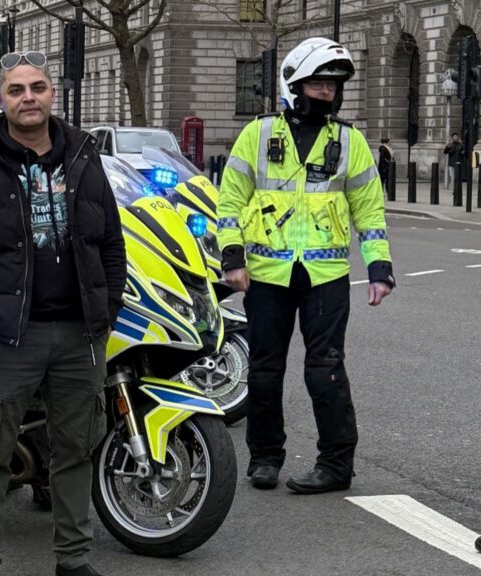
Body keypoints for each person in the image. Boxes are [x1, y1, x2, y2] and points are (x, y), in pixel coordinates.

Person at [0, 50, 126, 576]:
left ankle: (73, 560)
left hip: (79, 335)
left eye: (37, 87)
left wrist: (106, 312)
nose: (28, 98)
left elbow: (111, 242)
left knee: (76, 450)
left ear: (52, 94)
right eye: (16, 90)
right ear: (1, 100)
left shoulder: (83, 156)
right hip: (7, 337)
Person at [216, 37, 394, 495]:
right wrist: (232, 257)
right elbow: (230, 201)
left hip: (326, 277)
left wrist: (379, 267)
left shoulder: (349, 141)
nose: (327, 92)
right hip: (267, 274)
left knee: (325, 369)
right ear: (294, 86)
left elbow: (369, 210)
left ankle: (336, 465)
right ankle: (264, 458)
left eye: (333, 85)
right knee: (264, 370)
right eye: (318, 84)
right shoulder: (258, 135)